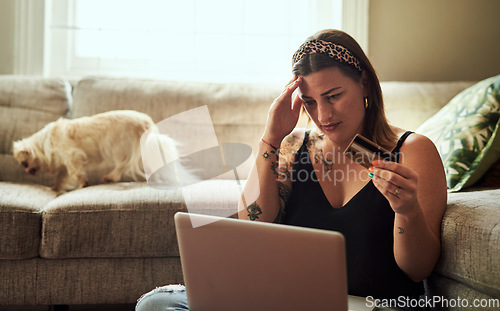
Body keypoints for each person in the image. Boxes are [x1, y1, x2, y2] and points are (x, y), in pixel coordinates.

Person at [136, 29, 447, 311]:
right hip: (289, 302)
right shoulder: (295, 146)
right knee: (157, 304)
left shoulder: (411, 150)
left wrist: (407, 211)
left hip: (374, 305)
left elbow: (417, 270)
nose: (323, 114)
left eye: (334, 96)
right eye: (310, 102)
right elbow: (255, 222)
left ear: (364, 81)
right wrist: (271, 138)